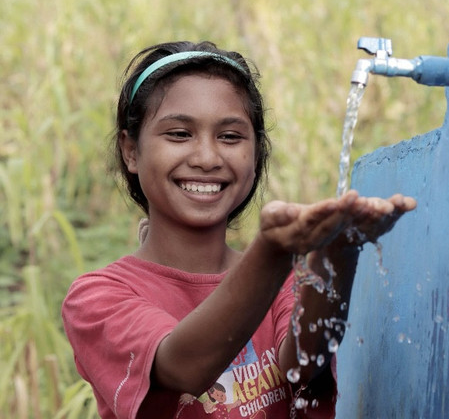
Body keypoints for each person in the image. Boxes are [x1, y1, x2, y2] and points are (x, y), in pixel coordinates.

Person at [61, 40, 416, 419]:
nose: (207, 158)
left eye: (230, 137)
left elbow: (305, 359)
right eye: (179, 134)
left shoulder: (283, 279)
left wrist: (339, 250)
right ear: (131, 150)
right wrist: (273, 250)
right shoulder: (96, 298)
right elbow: (183, 367)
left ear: (256, 153)